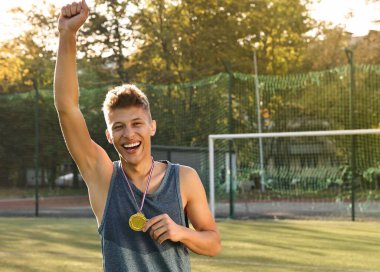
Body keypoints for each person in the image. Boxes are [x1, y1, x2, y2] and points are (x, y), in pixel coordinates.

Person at [54, 1, 221, 271]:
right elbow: (67, 108)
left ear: (151, 126)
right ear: (109, 135)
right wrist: (67, 35)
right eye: (119, 127)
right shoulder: (102, 177)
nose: (129, 133)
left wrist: (181, 232)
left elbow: (213, 243)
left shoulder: (184, 178)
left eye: (136, 123)